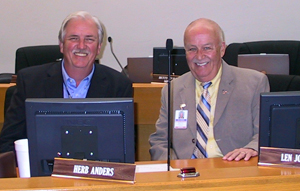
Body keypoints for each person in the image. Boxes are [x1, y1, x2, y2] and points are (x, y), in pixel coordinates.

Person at [0, 11, 132, 153]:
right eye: (74, 38)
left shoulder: (119, 85)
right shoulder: (30, 81)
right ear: (61, 45)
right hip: (42, 172)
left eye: (89, 39)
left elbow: (125, 147)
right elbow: (8, 143)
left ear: (99, 47)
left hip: (94, 172)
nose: (81, 46)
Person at [149, 18, 270, 161]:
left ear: (222, 49)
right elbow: (159, 141)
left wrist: (251, 149)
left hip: (234, 170)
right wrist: (174, 166)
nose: (199, 56)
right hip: (185, 174)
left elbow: (266, 133)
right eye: (192, 49)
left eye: (207, 48)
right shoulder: (173, 89)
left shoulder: (253, 83)